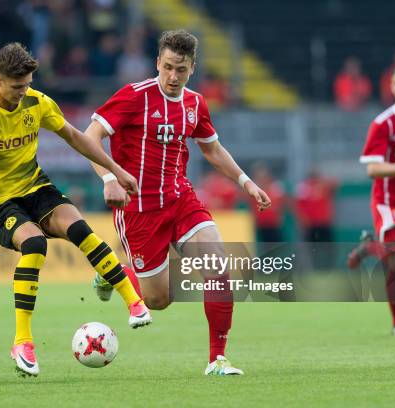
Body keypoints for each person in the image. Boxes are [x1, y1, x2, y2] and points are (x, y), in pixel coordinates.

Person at [0, 43, 151, 377]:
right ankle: (22, 341)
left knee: (78, 226)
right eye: (17, 86)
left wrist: (116, 171)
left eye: (28, 84)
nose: (24, 91)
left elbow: (76, 137)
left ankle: (133, 301)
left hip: (34, 186)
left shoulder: (37, 102)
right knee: (35, 244)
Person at [85, 30, 271, 376]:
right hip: (138, 210)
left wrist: (246, 182)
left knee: (217, 266)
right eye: (168, 67)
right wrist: (109, 178)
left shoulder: (195, 103)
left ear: (192, 68)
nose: (173, 77)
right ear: (157, 62)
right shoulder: (133, 97)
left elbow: (212, 150)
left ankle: (217, 359)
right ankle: (115, 274)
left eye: (181, 70)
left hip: (180, 199)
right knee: (159, 300)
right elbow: (90, 136)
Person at [348, 62, 395, 336]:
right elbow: (372, 169)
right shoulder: (383, 123)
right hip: (388, 202)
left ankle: (370, 247)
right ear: (391, 88)